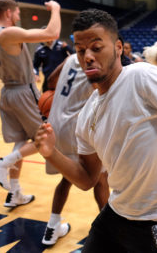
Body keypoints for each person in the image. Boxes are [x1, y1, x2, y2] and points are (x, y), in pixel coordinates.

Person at [35, 9, 157, 252]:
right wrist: (50, 152)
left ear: (118, 47)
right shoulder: (86, 114)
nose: (87, 56)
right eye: (80, 50)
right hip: (114, 215)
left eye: (96, 48)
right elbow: (88, 179)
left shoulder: (141, 77)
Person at [0, 0, 61, 207]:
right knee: (45, 136)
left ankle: (15, 192)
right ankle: (2, 164)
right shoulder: (7, 33)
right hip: (23, 90)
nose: (18, 15)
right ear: (8, 12)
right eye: (17, 12)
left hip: (7, 93)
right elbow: (51, 33)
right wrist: (55, 8)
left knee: (21, 142)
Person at [41, 53, 110, 245]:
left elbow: (52, 79)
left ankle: (53, 226)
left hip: (55, 123)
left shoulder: (71, 57)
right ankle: (110, 231)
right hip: (75, 126)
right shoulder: (95, 60)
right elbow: (101, 88)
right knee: (101, 179)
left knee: (68, 176)